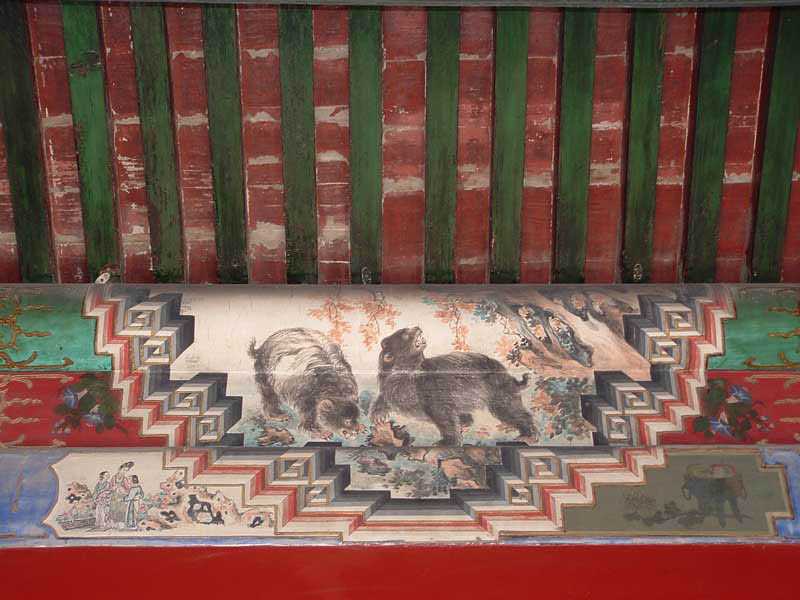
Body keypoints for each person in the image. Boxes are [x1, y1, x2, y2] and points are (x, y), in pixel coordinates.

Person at [109, 462, 134, 528]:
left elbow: (128, 489)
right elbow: (110, 488)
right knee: (113, 508)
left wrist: (123, 490)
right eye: (123, 470)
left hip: (121, 497)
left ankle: (120, 523)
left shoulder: (125, 479)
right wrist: (115, 487)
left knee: (121, 509)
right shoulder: (114, 478)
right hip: (114, 496)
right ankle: (113, 523)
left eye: (126, 470)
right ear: (119, 469)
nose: (124, 472)